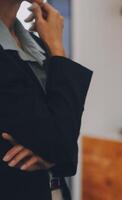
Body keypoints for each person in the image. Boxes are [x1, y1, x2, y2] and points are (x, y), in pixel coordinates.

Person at [0, 0, 92, 199]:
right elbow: (60, 142)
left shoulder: (37, 42)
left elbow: (64, 138)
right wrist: (58, 49)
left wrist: (55, 154)